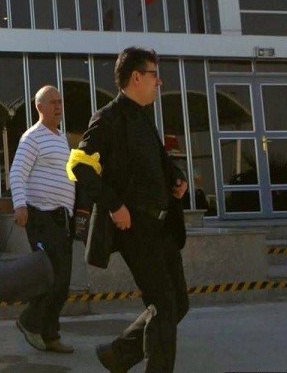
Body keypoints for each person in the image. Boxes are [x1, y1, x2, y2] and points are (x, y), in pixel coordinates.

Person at [69, 47, 189, 372]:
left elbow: (156, 162)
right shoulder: (108, 118)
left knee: (178, 304)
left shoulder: (144, 117)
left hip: (162, 226)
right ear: (136, 77)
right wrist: (114, 205)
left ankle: (118, 355)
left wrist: (176, 178)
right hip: (136, 227)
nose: (159, 82)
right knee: (164, 305)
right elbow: (79, 164)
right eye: (154, 75)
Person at [9, 85, 75, 354]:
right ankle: (29, 322)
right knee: (50, 277)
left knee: (63, 280)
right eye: (53, 102)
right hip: (40, 216)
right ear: (39, 107)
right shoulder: (32, 138)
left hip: (61, 218)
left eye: (60, 102)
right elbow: (17, 172)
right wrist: (19, 205)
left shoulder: (61, 138)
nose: (58, 107)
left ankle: (50, 334)